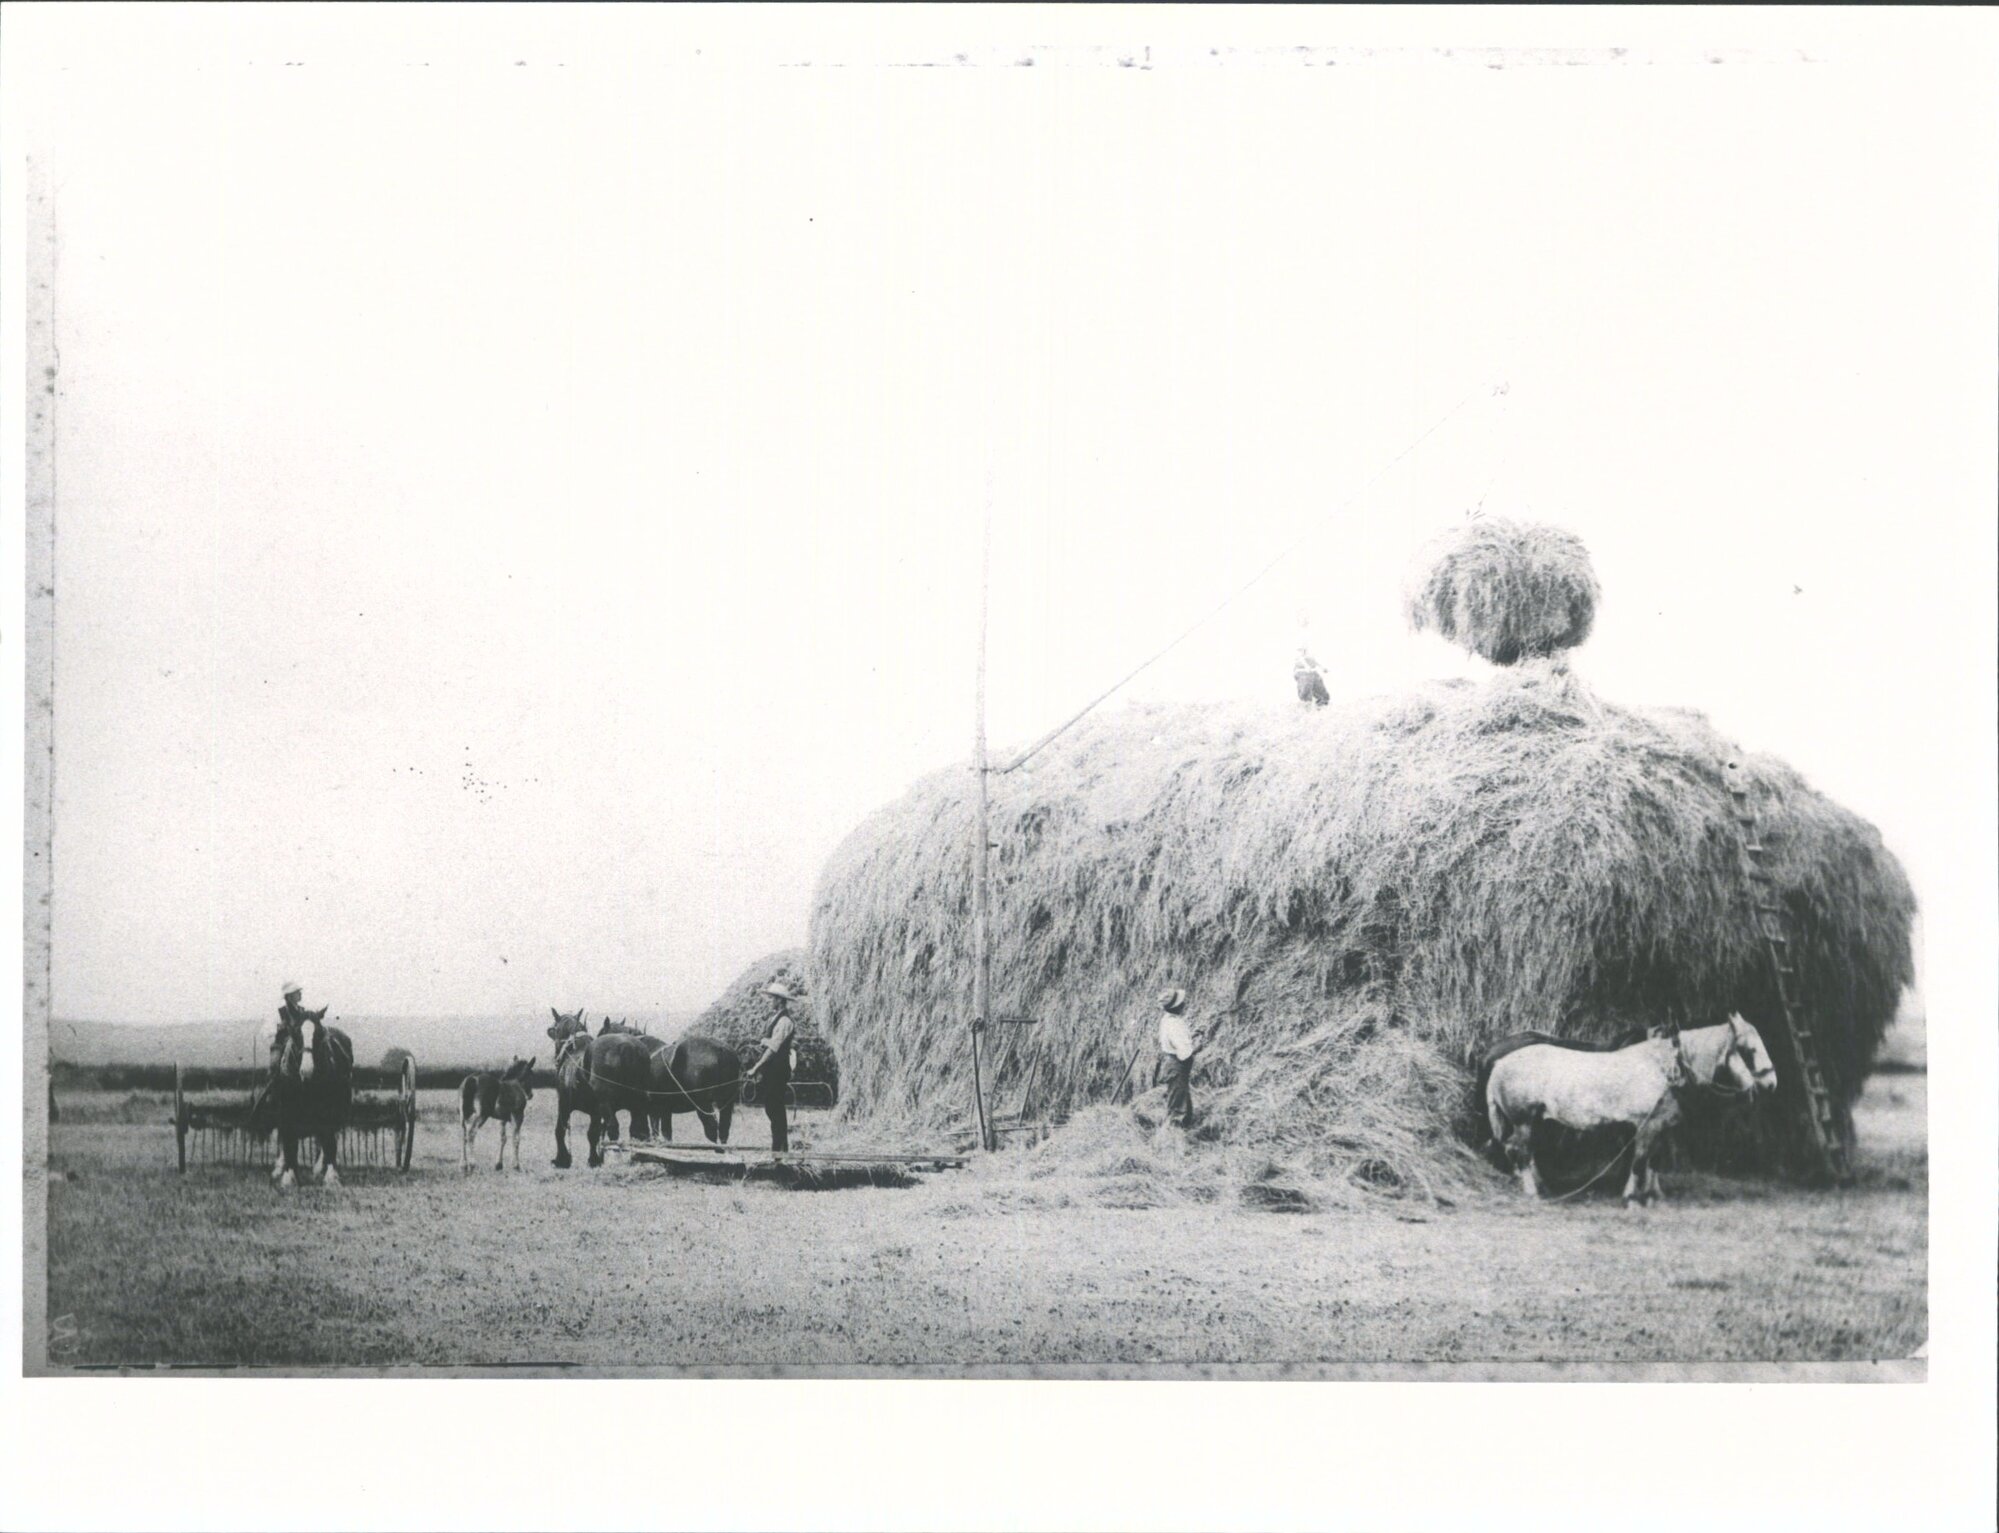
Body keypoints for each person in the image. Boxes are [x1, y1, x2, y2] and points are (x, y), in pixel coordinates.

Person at [745, 981, 802, 1152]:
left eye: (772, 999)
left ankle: (780, 1149)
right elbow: (772, 1042)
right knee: (772, 1108)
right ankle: (778, 1148)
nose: (770, 1001)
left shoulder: (784, 1021)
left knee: (775, 1109)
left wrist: (756, 1068)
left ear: (779, 1000)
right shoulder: (776, 1019)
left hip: (778, 1069)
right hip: (773, 1070)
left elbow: (774, 1048)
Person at [1157, 986, 1204, 1129]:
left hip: (1172, 1063)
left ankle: (1184, 1130)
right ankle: (1172, 1137)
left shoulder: (1168, 1019)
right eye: (1181, 1002)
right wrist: (1198, 1046)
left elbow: (1176, 1040)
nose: (1184, 1004)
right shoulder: (1175, 1025)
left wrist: (1191, 1035)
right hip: (1177, 1066)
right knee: (1177, 1107)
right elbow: (1184, 1054)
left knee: (1181, 1097)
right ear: (1177, 1006)